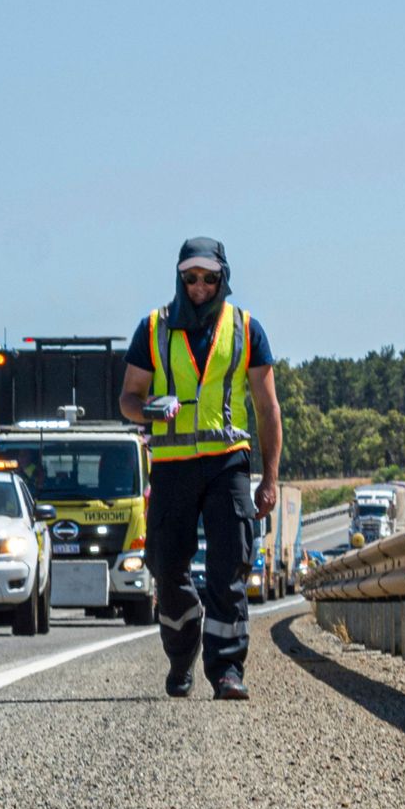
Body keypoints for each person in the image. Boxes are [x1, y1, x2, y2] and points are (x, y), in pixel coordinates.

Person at [119, 236, 281, 701]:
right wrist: (148, 410)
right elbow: (128, 400)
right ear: (179, 277)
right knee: (166, 567)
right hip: (170, 466)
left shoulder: (247, 329)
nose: (199, 286)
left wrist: (268, 479)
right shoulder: (152, 328)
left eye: (209, 277)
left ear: (222, 277)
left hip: (227, 462)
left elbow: (268, 410)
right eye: (190, 277)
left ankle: (227, 668)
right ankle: (181, 650)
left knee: (230, 562)